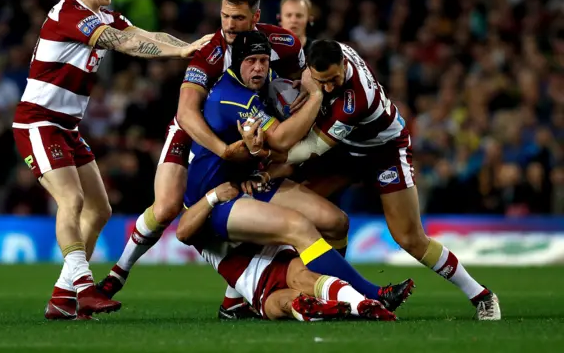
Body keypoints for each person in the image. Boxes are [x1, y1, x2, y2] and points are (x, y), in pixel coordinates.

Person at [12, 0, 210, 320]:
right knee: (71, 203)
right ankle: (84, 289)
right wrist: (178, 53)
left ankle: (61, 297)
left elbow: (142, 32)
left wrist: (191, 47)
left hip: (67, 126)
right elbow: (126, 43)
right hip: (39, 121)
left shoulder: (101, 13)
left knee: (100, 209)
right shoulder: (70, 15)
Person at [239, 40, 502, 321]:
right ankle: (333, 294)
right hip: (347, 148)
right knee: (298, 209)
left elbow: (309, 150)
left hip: (383, 151)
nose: (329, 87)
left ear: (344, 65)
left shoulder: (357, 98)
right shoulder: (329, 53)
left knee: (409, 238)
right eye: (321, 81)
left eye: (333, 80)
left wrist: (265, 155)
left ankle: (482, 296)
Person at [98, 0, 310, 317]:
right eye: (224, 16)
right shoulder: (211, 52)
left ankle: (234, 298)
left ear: (256, 18)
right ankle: (118, 273)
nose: (227, 25)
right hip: (194, 131)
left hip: (245, 130)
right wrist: (224, 150)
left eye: (237, 18)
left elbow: (299, 78)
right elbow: (186, 111)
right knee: (167, 207)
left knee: (255, 196)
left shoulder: (283, 44)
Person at [182, 31, 413, 313]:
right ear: (236, 62)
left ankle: (331, 292)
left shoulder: (264, 81)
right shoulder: (233, 98)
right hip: (217, 199)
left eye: (264, 60)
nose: (258, 68)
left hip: (250, 183)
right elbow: (279, 140)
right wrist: (315, 94)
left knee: (336, 221)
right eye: (251, 61)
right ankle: (369, 294)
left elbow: (266, 149)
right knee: (298, 227)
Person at [175, 181, 397, 321]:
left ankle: (362, 304)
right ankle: (331, 307)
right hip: (258, 290)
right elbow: (183, 232)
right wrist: (213, 196)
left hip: (279, 262)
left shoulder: (242, 195)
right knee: (282, 304)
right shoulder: (199, 221)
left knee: (303, 278)